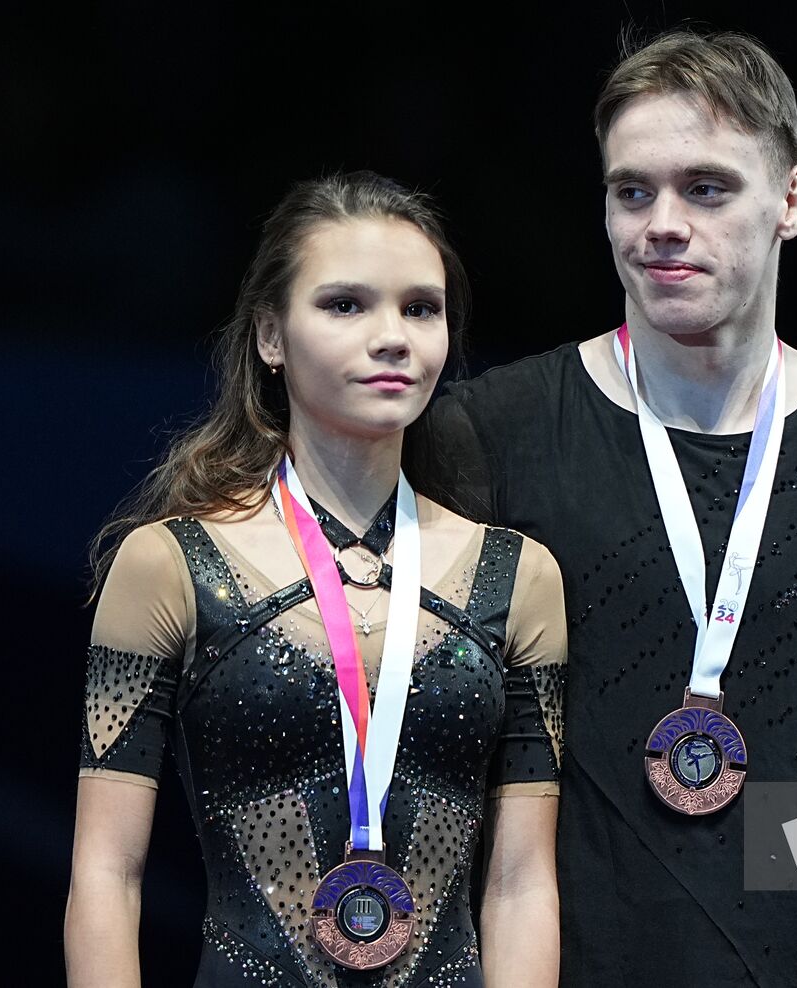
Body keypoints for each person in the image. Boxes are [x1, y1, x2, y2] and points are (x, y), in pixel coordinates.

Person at [419, 29, 797, 987]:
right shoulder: (487, 435)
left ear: (792, 199)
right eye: (632, 191)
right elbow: (429, 769)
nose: (661, 223)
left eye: (706, 188)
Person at [65, 171, 565, 987]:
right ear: (270, 334)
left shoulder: (516, 577)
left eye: (420, 307)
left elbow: (519, 885)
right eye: (344, 305)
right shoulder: (170, 566)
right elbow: (105, 876)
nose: (392, 336)